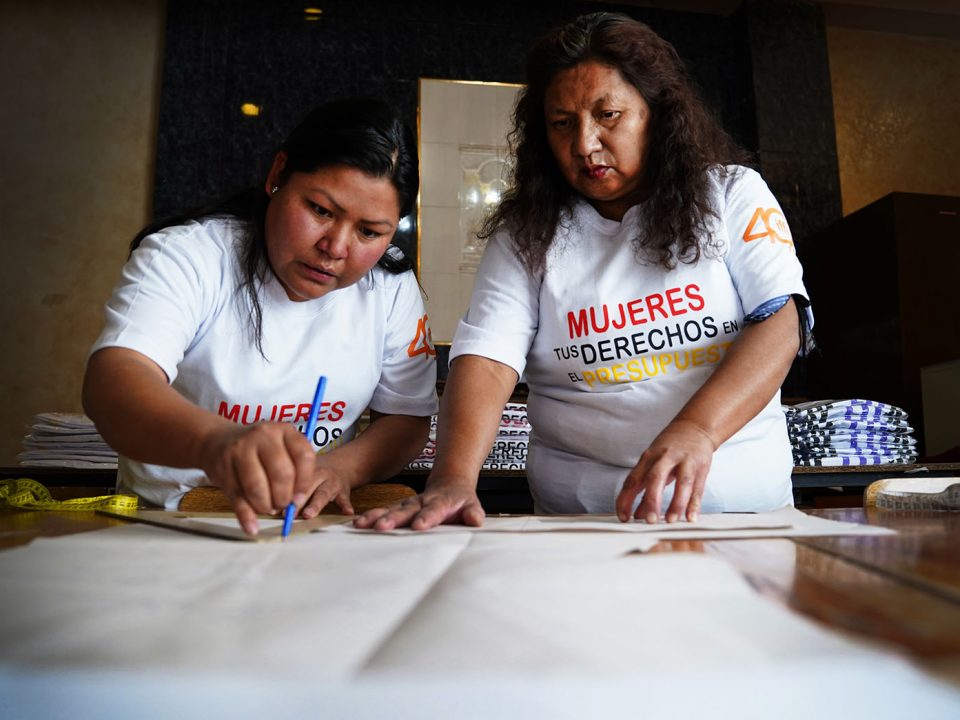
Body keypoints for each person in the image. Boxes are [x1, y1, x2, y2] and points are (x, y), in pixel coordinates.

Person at [356, 12, 812, 532]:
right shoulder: (527, 234)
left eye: (609, 115)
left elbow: (780, 321)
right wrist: (454, 478)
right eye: (562, 123)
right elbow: (487, 357)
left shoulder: (731, 193)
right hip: (582, 519)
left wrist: (698, 431)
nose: (584, 144)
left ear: (657, 113)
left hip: (740, 511)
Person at [83, 97, 438, 535]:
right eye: (321, 211)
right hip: (170, 524)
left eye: (369, 232)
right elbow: (114, 382)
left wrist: (343, 469)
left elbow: (405, 417)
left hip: (310, 528)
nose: (336, 247)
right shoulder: (188, 256)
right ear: (277, 175)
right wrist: (215, 441)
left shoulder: (389, 285)